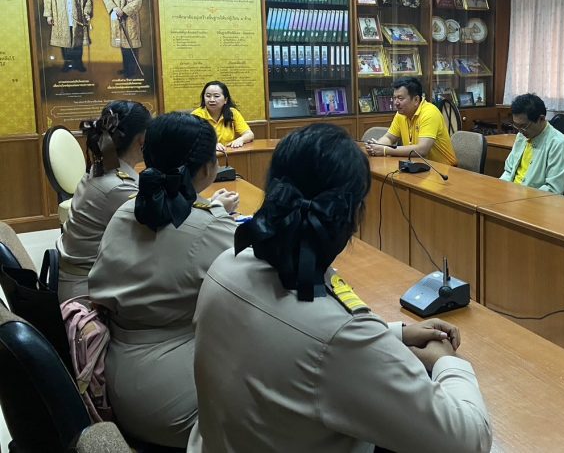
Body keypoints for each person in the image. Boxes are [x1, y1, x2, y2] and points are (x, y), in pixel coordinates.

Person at [187, 124, 492, 452]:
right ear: (354, 215)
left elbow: (295, 338)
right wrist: (447, 362)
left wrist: (396, 334)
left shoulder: (225, 264)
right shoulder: (338, 334)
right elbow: (468, 441)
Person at [88, 112, 240, 447]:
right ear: (207, 168)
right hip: (173, 398)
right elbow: (262, 276)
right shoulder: (209, 225)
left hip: (118, 377)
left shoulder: (126, 210)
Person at [56, 101, 151, 302]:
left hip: (80, 278)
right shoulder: (119, 187)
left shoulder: (100, 169)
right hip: (88, 297)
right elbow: (162, 232)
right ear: (142, 139)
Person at [365, 76, 458, 166]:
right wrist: (376, 147)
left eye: (400, 98)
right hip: (417, 165)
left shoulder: (430, 113)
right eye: (394, 98)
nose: (396, 103)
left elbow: (422, 149)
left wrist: (386, 150)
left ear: (416, 100)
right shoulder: (401, 114)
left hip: (445, 169)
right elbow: (389, 138)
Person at [500, 93, 564, 195]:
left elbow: (552, 190)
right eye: (516, 125)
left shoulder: (559, 145)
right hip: (511, 195)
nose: (520, 131)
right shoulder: (521, 136)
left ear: (541, 119)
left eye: (524, 126)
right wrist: (500, 190)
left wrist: (520, 197)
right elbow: (509, 171)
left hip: (533, 200)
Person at [43, 0, 92, 73]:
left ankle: (78, 64)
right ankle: (68, 63)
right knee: (65, 41)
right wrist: (49, 15)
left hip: (76, 16)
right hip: (61, 16)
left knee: (77, 40)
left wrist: (86, 12)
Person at [103, 0, 143, 78]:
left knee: (131, 44)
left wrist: (124, 11)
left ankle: (132, 70)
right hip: (117, 17)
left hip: (130, 18)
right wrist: (114, 8)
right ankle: (126, 69)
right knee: (123, 44)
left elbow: (138, 1)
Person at [191, 80, 254, 151]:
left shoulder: (232, 113)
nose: (212, 100)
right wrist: (211, 144)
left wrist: (241, 139)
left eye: (216, 96)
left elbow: (249, 134)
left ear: (225, 100)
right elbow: (191, 139)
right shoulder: (196, 115)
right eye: (208, 96)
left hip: (228, 153)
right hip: (204, 154)